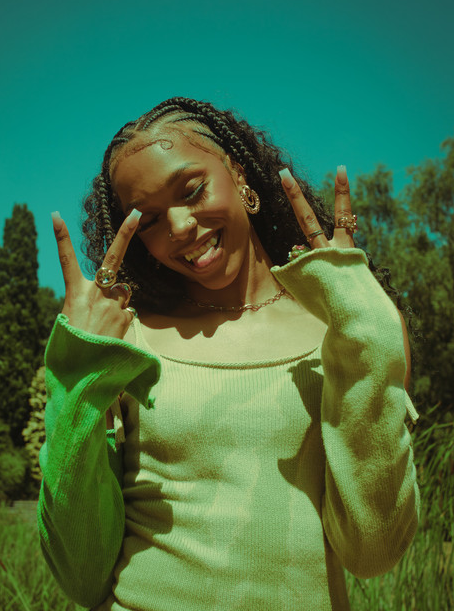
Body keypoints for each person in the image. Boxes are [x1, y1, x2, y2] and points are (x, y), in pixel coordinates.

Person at [38, 97, 420, 611]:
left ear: (237, 172)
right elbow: (81, 575)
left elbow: (373, 552)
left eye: (192, 190)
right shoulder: (126, 345)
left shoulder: (348, 330)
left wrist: (358, 314)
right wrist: (78, 379)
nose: (179, 227)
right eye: (148, 220)